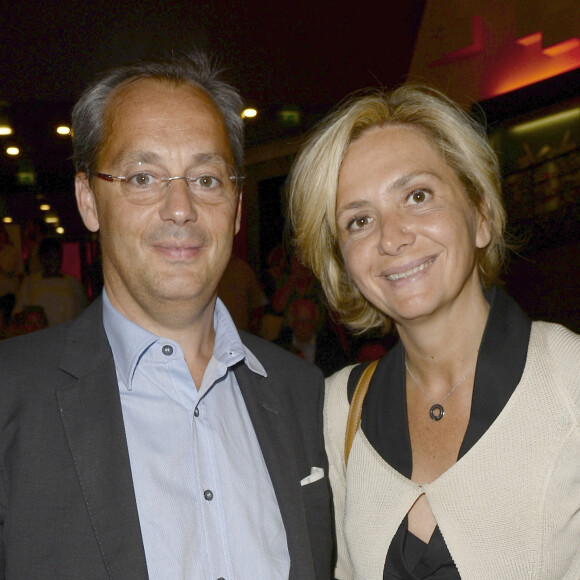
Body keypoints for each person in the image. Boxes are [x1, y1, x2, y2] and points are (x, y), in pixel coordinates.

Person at [0, 52, 332, 579]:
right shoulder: (11, 396)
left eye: (205, 179)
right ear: (89, 200)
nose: (180, 208)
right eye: (141, 177)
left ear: (237, 205)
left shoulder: (304, 394)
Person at [287, 84, 580, 579]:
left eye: (417, 196)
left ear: (480, 214)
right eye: (359, 220)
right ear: (343, 262)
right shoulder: (335, 413)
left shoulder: (569, 379)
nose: (392, 236)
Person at [13, 238, 88, 327]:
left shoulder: (73, 283)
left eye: (57, 257)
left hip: (66, 336)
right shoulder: (30, 282)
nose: (54, 262)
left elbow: (84, 313)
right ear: (41, 258)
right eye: (49, 258)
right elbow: (17, 315)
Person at [275, 298, 349, 377]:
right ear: (291, 322)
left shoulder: (330, 345)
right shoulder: (280, 347)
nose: (305, 326)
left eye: (309, 321)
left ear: (315, 321)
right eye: (300, 322)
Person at [217, 254, 268, 333]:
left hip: (240, 337)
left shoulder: (242, 269)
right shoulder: (201, 268)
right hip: (208, 338)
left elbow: (257, 304)